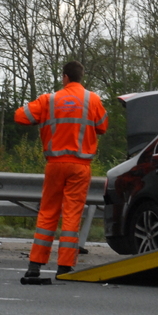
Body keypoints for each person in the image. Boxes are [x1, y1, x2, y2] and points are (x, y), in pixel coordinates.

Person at [15, 61, 108, 277]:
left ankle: (35, 265)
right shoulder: (92, 99)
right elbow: (102, 126)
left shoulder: (49, 100)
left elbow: (20, 116)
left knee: (48, 213)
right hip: (80, 166)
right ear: (80, 78)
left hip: (55, 164)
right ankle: (65, 266)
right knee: (72, 214)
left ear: (65, 77)